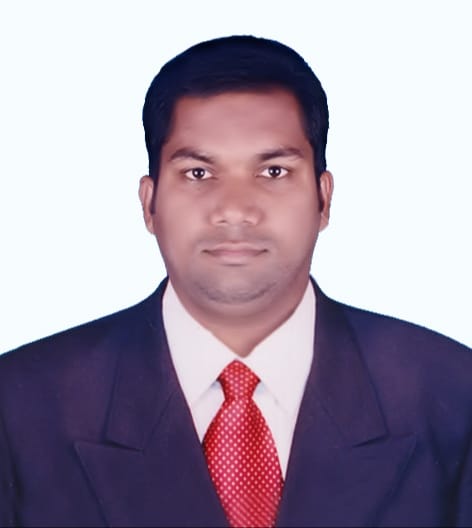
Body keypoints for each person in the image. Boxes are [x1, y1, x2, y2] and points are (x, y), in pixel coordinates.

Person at [0, 35, 471, 528]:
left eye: (273, 171)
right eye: (198, 173)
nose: (235, 211)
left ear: (323, 199)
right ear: (149, 203)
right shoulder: (22, 406)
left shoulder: (451, 395)